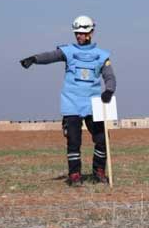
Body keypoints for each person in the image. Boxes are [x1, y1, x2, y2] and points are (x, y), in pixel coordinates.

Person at [19, 15, 116, 186]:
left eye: (82, 33)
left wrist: (109, 90)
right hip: (72, 103)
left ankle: (99, 171)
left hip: (93, 104)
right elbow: (51, 56)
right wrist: (34, 59)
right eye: (76, 33)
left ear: (91, 33)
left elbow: (110, 77)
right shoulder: (68, 51)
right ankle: (75, 175)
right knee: (74, 141)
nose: (79, 36)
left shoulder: (101, 56)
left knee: (102, 139)